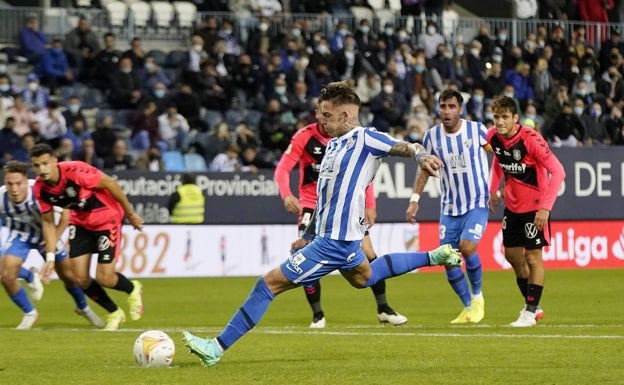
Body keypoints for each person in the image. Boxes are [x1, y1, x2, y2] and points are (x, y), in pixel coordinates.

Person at [182, 81, 462, 366]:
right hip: (336, 239)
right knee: (366, 277)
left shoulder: (365, 138)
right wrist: (307, 234)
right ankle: (434, 256)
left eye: (327, 115)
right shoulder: (332, 147)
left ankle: (215, 348)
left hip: (335, 243)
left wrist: (422, 155)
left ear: (345, 115)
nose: (320, 119)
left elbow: (403, 145)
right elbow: (323, 199)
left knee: (267, 285)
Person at [274, 110, 408, 328]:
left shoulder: (350, 138)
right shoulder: (304, 136)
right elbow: (282, 169)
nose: (324, 116)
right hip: (312, 205)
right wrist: (286, 194)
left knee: (370, 254)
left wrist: (370, 204)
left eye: (328, 111)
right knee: (305, 255)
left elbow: (365, 172)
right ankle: (318, 315)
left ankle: (383, 308)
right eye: (322, 111)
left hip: (347, 206)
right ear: (317, 113)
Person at [30, 143, 145, 331]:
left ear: (54, 161)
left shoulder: (75, 171)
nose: (41, 170)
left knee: (105, 278)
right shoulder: (40, 189)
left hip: (107, 220)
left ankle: (133, 289)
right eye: (36, 165)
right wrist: (50, 257)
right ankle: (114, 312)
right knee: (79, 278)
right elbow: (48, 222)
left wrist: (130, 213)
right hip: (80, 223)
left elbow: (110, 183)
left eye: (45, 163)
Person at [405, 89, 490, 324]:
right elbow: (425, 169)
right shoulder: (431, 137)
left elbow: (500, 156)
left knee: (467, 246)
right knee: (448, 259)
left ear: (460, 109)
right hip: (450, 208)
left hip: (477, 202)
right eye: (443, 106)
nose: (446, 111)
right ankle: (467, 308)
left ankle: (477, 298)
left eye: (451, 106)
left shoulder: (477, 130)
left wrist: (500, 188)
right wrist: (414, 199)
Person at [487, 95, 566, 327]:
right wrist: (494, 189)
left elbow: (559, 172)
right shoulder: (493, 136)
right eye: (496, 117)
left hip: (535, 208)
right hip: (512, 207)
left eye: (504, 117)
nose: (499, 122)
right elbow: (498, 158)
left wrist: (545, 208)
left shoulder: (531, 139)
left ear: (515, 118)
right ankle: (533, 305)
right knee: (512, 256)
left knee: (533, 258)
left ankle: (530, 311)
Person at [0, 161, 103, 329]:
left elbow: (65, 215)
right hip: (20, 235)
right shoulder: (2, 196)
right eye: (9, 184)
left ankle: (83, 307)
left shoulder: (39, 191)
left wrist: (54, 238)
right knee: (6, 276)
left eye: (18, 183)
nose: (14, 189)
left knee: (69, 277)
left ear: (26, 181)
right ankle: (30, 313)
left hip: (47, 235)